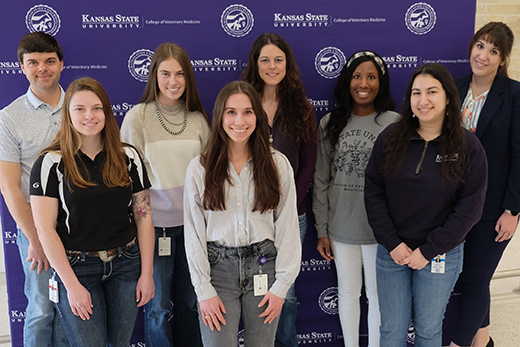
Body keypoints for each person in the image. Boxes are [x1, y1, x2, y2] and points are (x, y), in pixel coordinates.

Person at [364, 63, 488, 347]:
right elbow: (373, 191)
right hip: (392, 253)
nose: (423, 100)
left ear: (447, 97)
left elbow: (471, 206)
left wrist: (429, 250)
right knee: (391, 330)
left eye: (432, 92)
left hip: (439, 256)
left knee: (429, 331)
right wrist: (392, 243)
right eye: (416, 93)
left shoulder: (468, 146)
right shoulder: (390, 139)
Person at [29, 77, 155, 347]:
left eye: (97, 108)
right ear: (68, 113)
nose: (89, 116)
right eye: (80, 109)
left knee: (120, 343)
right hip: (76, 269)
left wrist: (146, 273)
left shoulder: (128, 156)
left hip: (126, 265)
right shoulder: (50, 162)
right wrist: (71, 286)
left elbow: (144, 219)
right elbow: (45, 229)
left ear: (107, 112)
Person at [184, 80, 301, 347]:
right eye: (231, 112)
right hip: (217, 271)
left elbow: (287, 230)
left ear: (258, 117)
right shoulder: (199, 168)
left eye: (248, 112)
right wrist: (204, 291)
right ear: (220, 116)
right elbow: (193, 233)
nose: (240, 120)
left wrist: (281, 287)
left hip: (263, 266)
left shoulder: (277, 164)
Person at [121, 42, 209, 347]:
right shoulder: (137, 118)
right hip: (153, 228)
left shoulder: (198, 119)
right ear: (154, 76)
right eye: (166, 73)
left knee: (190, 302)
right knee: (157, 308)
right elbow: (129, 179)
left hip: (193, 228)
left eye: (180, 74)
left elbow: (210, 173)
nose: (173, 81)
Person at [313, 50, 399, 347]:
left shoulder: (395, 123)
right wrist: (322, 230)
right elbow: (321, 179)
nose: (364, 83)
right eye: (357, 76)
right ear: (347, 82)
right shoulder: (329, 123)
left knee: (377, 296)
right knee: (348, 292)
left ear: (381, 82)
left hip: (381, 230)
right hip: (341, 228)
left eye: (372, 77)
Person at [242, 33, 316, 347]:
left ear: (287, 64)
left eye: (278, 60)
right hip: (249, 216)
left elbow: (309, 165)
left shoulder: (301, 108)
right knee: (253, 289)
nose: (272, 66)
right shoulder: (242, 105)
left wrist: (287, 207)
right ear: (255, 64)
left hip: (291, 217)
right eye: (265, 60)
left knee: (287, 291)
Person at [449, 22, 520, 347]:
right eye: (480, 46)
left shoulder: (515, 95)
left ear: (503, 59)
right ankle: (483, 342)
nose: (484, 55)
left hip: (493, 208)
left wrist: (513, 209)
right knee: (469, 279)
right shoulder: (454, 87)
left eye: (494, 51)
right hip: (454, 203)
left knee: (476, 281)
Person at [0, 32, 69, 347]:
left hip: (83, 226)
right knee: (42, 309)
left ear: (61, 64)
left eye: (49, 61)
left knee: (79, 309)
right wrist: (38, 239)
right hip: (36, 230)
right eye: (34, 63)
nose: (43, 68)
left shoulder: (82, 106)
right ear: (22, 67)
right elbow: (10, 188)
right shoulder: (9, 118)